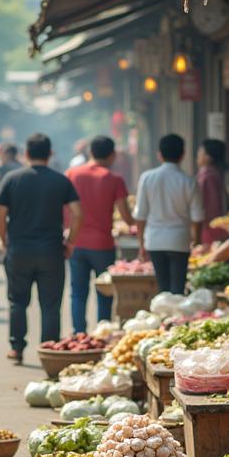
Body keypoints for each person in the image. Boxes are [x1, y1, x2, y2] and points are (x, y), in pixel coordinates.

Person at [0, 133, 81, 363]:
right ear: (50, 154)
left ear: (27, 153)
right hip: (52, 251)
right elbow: (78, 213)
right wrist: (70, 241)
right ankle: (49, 350)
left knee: (18, 301)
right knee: (51, 304)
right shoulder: (61, 180)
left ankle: (17, 348)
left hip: (19, 250)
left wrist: (5, 240)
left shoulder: (12, 179)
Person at [66, 136, 132, 333]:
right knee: (104, 292)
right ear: (112, 155)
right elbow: (126, 217)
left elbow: (64, 208)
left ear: (90, 152)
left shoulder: (71, 174)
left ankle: (79, 334)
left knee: (78, 293)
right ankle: (101, 334)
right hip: (103, 244)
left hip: (76, 241)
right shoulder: (114, 179)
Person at [133, 134, 204, 295]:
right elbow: (197, 217)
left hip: (155, 240)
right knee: (178, 289)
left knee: (162, 289)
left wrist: (141, 244)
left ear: (159, 154)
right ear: (183, 154)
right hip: (179, 241)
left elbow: (140, 215)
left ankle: (163, 317)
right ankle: (175, 319)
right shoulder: (189, 181)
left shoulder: (147, 178)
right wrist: (197, 241)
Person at [196, 138, 228, 246]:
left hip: (210, 230)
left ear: (208, 157)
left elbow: (211, 208)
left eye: (201, 152)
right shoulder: (215, 174)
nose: (198, 155)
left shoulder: (208, 177)